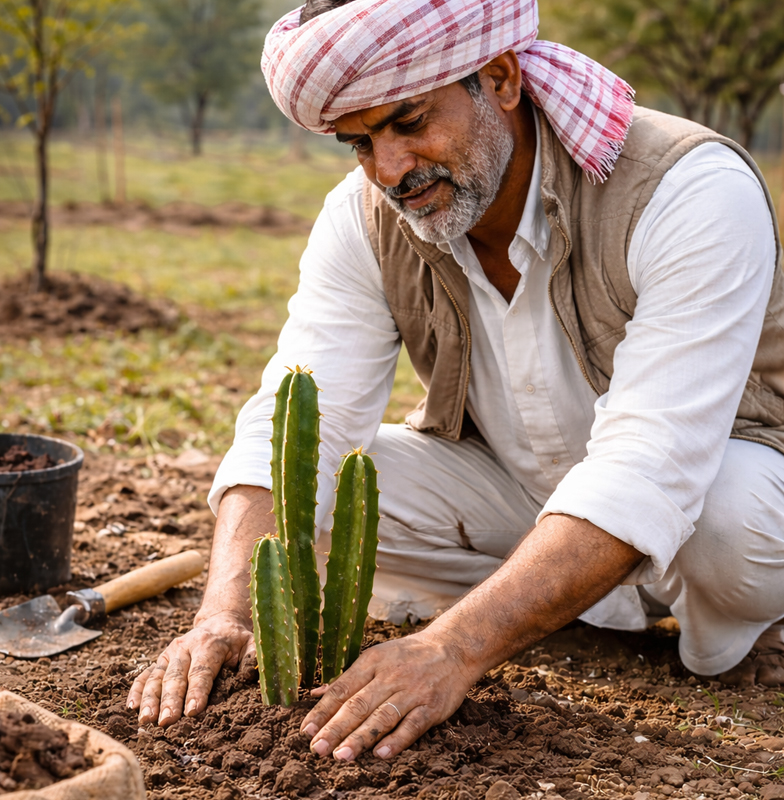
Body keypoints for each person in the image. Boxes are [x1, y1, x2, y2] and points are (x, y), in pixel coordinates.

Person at [128, 0, 784, 764]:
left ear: (500, 77)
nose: (389, 170)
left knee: (731, 520)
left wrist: (453, 649)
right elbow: (300, 418)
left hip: (711, 495)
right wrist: (225, 611)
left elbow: (651, 467)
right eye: (359, 142)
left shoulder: (686, 189)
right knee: (320, 498)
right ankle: (558, 595)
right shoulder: (364, 217)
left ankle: (711, 620)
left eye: (409, 121)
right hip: (518, 488)